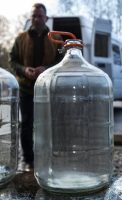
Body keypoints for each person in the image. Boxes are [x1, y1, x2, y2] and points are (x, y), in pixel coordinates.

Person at [9, 3, 62, 171]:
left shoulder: (56, 38)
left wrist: (46, 69)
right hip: (26, 89)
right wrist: (24, 70)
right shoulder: (20, 38)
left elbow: (62, 60)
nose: (37, 19)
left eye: (40, 16)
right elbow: (13, 60)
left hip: (48, 89)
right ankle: (28, 160)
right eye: (34, 16)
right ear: (30, 18)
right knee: (26, 124)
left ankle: (48, 157)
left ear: (46, 18)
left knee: (49, 123)